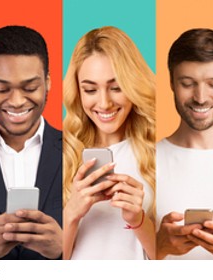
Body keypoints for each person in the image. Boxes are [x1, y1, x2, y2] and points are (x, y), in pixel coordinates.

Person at [61, 26, 156, 260]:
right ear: (78, 91)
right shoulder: (59, 153)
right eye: (90, 89)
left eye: (116, 88)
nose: (104, 103)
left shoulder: (158, 152)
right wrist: (71, 214)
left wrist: (138, 220)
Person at [154, 28, 213, 260]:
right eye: (188, 83)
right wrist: (157, 247)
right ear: (171, 83)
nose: (201, 97)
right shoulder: (143, 160)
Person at [0, 25, 63, 260]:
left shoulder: (77, 150)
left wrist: (65, 248)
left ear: (48, 81)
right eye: (2, 88)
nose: (17, 101)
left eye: (30, 87)